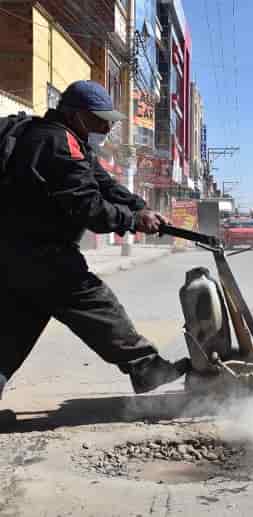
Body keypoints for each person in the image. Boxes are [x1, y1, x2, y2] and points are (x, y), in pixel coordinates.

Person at [0, 80, 191, 413]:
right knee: (94, 301)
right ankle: (146, 367)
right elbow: (90, 207)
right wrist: (134, 221)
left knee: (9, 340)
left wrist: (139, 207)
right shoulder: (59, 145)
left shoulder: (55, 136)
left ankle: (145, 367)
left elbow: (102, 183)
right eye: (100, 119)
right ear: (76, 115)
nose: (108, 126)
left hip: (15, 253)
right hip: (42, 253)